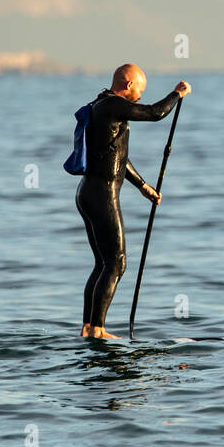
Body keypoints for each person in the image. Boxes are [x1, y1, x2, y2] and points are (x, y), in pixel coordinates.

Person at [77, 64, 190, 338]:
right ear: (128, 85)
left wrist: (143, 186)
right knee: (117, 264)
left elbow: (117, 157)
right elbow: (154, 113)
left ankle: (89, 328)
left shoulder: (101, 105)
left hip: (88, 193)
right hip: (101, 194)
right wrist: (177, 94)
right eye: (139, 89)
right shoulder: (113, 105)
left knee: (102, 264)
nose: (139, 96)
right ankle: (98, 330)